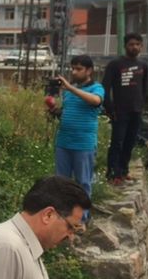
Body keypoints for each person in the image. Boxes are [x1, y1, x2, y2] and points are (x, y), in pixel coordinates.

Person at [0, 176, 92, 279]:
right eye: (70, 227)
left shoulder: (24, 244)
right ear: (48, 215)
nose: (70, 236)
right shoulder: (7, 247)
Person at [49, 55, 103, 223]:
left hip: (83, 144)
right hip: (64, 142)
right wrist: (55, 111)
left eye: (79, 69)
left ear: (89, 71)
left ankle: (82, 219)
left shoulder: (96, 88)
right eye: (73, 68)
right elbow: (67, 112)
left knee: (83, 183)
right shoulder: (68, 93)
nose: (74, 72)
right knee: (61, 182)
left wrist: (71, 88)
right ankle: (64, 217)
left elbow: (96, 101)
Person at [102, 33, 148, 185]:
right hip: (119, 111)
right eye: (131, 44)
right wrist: (109, 108)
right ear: (125, 46)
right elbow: (105, 88)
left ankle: (123, 170)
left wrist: (142, 106)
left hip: (136, 110)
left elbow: (145, 88)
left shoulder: (144, 65)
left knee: (130, 142)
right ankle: (112, 173)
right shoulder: (115, 64)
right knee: (117, 142)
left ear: (141, 46)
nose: (134, 47)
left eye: (137, 44)